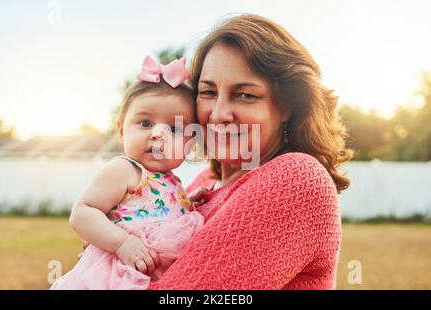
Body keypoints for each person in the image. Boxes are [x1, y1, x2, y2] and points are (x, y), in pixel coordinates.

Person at [147, 14, 353, 289]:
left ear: (287, 105)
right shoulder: (204, 182)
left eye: (244, 95)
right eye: (208, 92)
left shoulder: (296, 179)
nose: (218, 114)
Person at [51, 56, 204, 290]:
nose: (157, 134)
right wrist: (121, 243)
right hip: (117, 275)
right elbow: (82, 212)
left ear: (190, 141)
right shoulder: (125, 170)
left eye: (174, 129)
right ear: (121, 130)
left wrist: (187, 204)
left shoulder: (173, 180)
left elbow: (156, 211)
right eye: (145, 123)